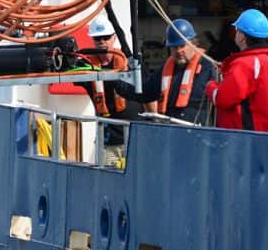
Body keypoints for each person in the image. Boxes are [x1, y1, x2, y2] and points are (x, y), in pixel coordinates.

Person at [115, 18, 217, 125]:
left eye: (182, 46)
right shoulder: (164, 71)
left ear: (193, 43)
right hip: (170, 133)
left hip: (200, 134)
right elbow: (144, 93)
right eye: (174, 47)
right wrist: (116, 82)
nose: (178, 51)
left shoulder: (209, 69)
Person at [203, 9, 268, 132]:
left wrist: (210, 86)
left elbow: (222, 98)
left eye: (237, 31)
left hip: (247, 142)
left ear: (243, 37)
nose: (235, 34)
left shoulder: (244, 65)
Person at [79, 16, 139, 166]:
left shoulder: (131, 64)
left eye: (106, 37)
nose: (102, 42)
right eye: (97, 38)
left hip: (134, 139)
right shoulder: (87, 69)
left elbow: (149, 97)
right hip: (108, 141)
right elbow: (66, 72)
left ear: (114, 38)